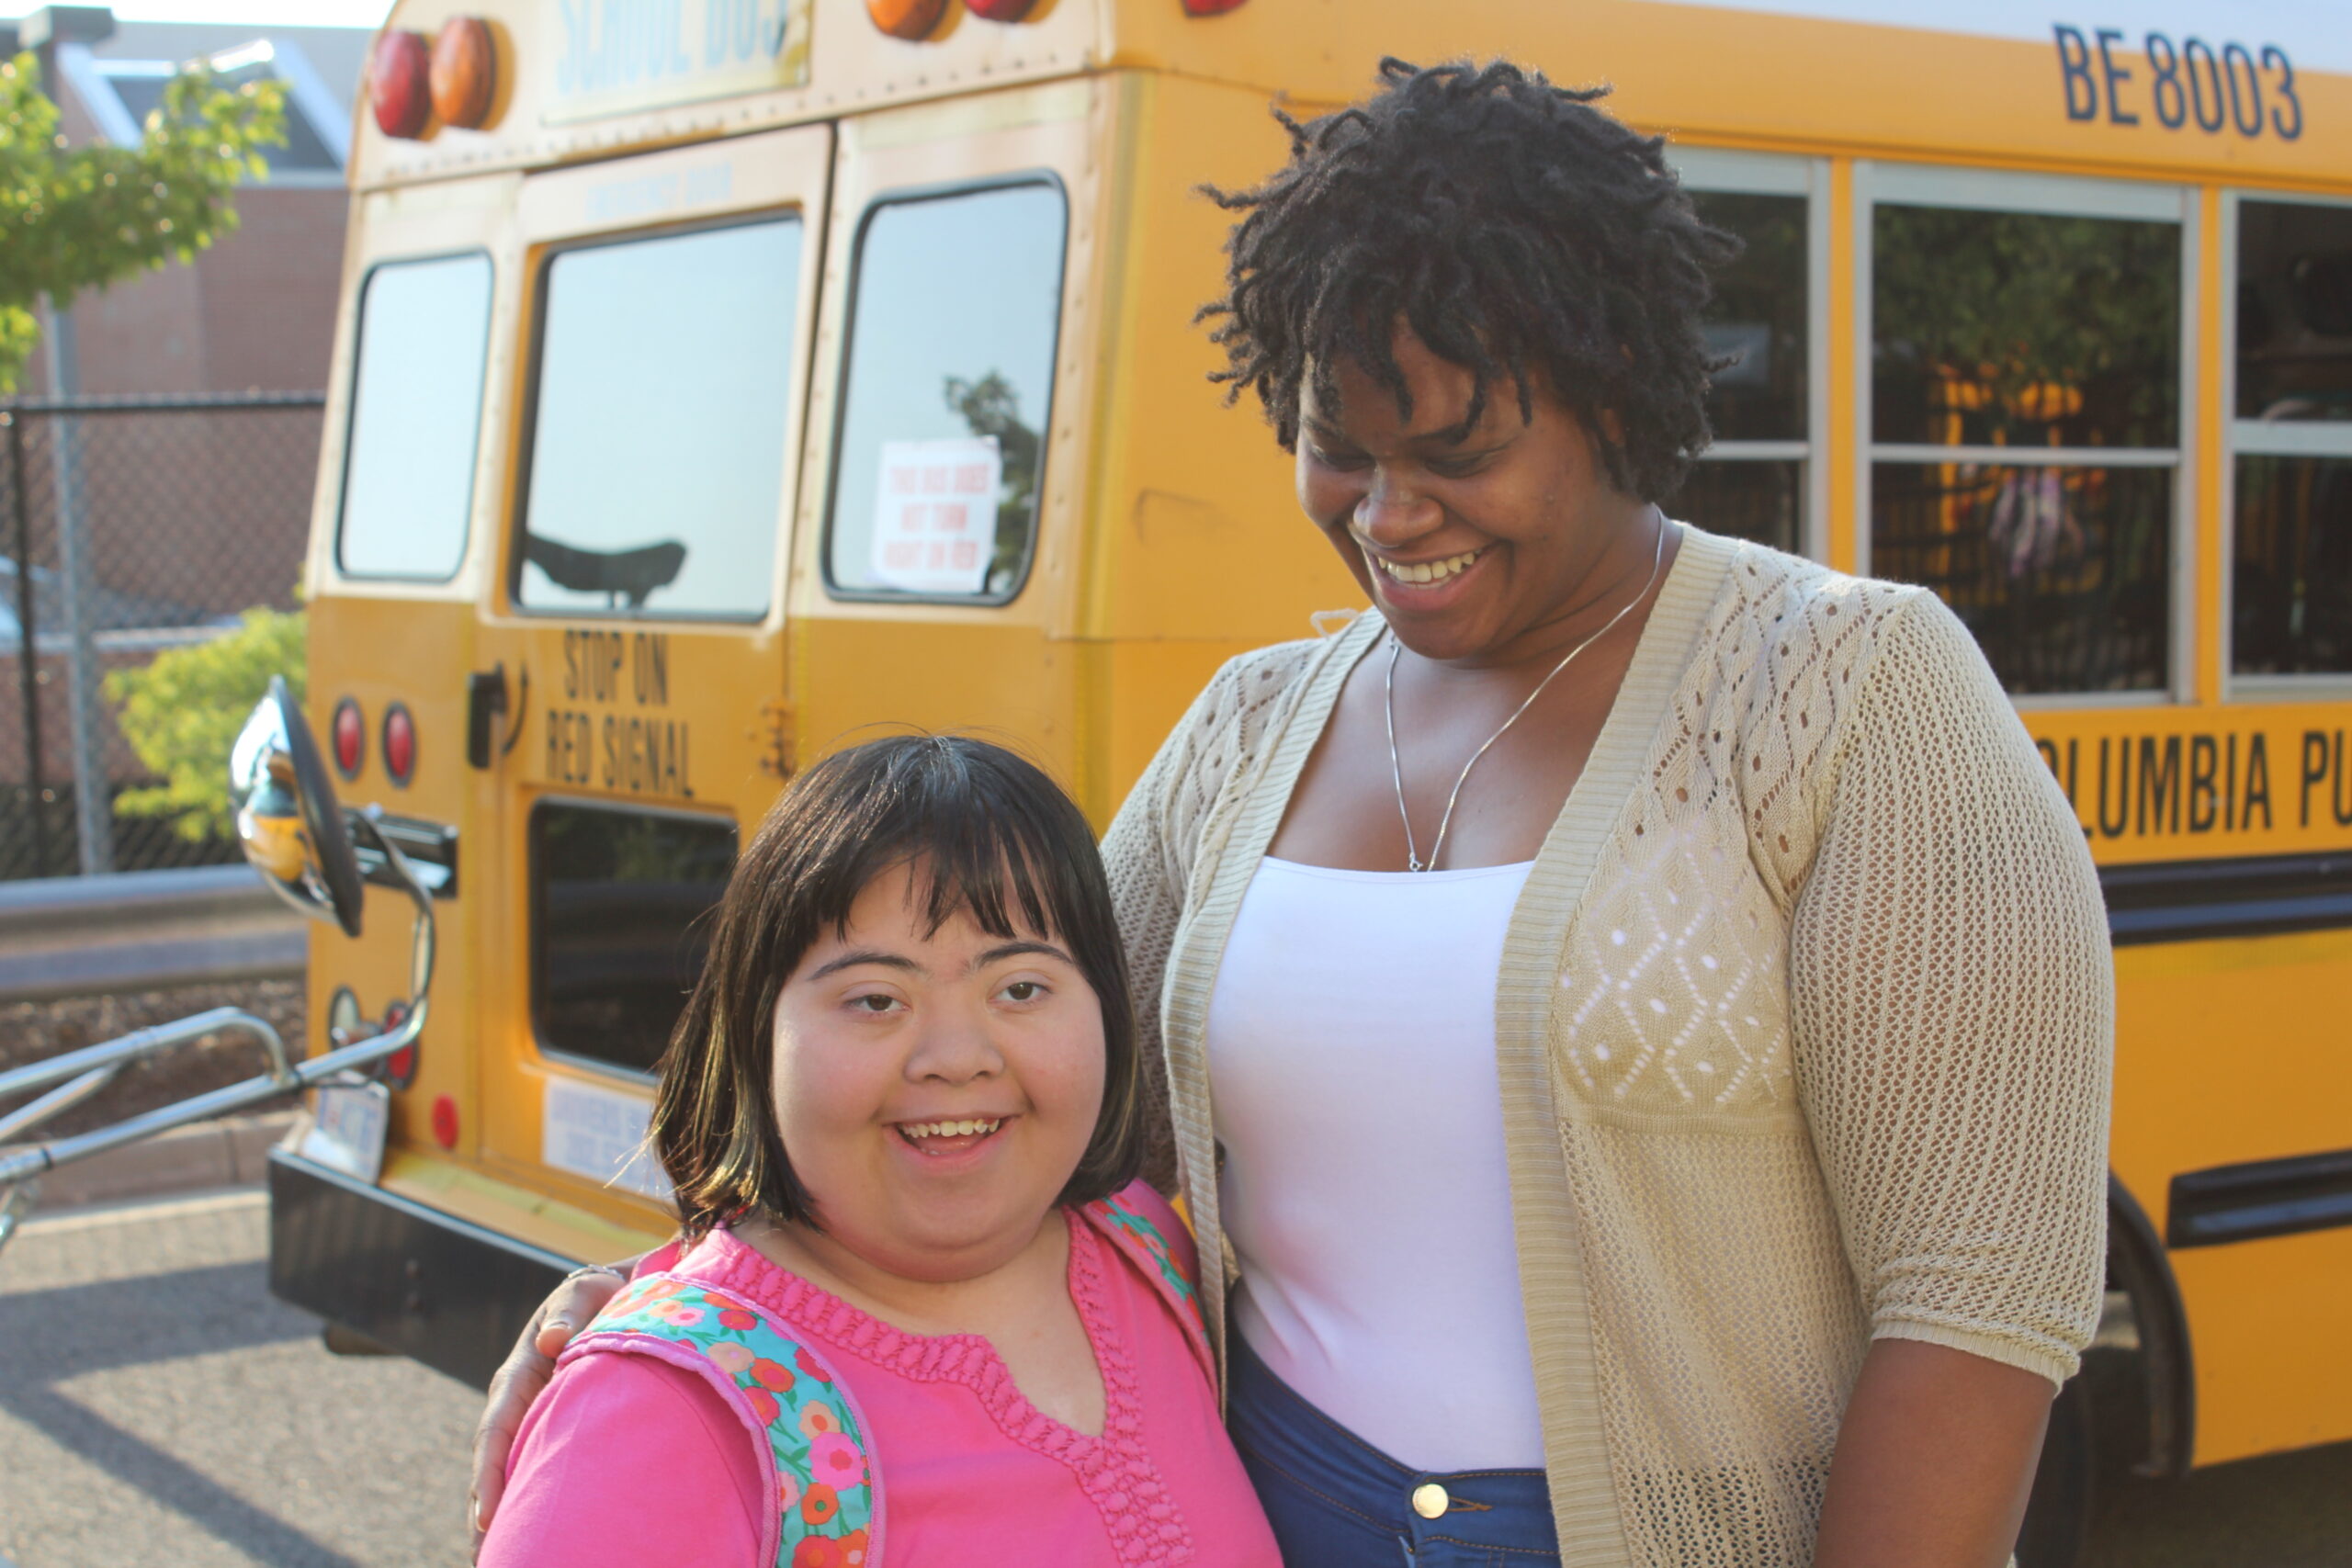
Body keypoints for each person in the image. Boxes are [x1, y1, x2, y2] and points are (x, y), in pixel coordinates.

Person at [476, 59, 2112, 1568]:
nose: (1391, 517)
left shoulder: (1850, 689)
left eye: (1459, 450)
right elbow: (1013, 1074)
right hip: (1267, 1509)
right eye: (1341, 450)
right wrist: (688, 1300)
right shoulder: (1258, 721)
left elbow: (1974, 1298)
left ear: (1619, 400)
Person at [475, 735, 1282, 1568]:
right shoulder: (655, 1414)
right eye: (875, 999)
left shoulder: (1146, 1248)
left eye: (1021, 987)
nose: (957, 1054)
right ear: (757, 1033)